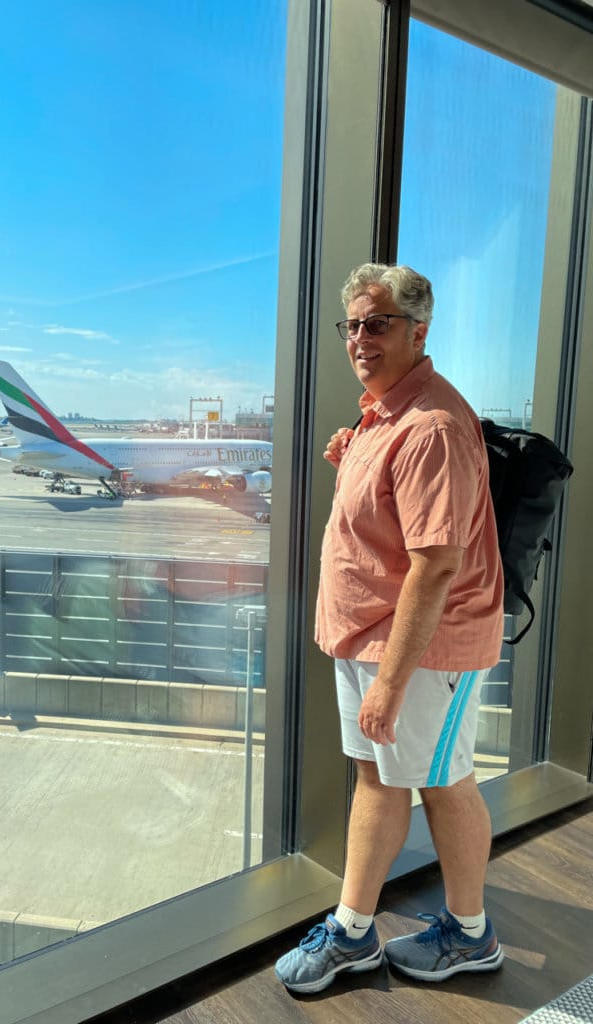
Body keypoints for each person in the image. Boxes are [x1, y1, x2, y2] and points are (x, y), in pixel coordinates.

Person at [275, 263, 505, 993]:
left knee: (446, 786)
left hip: (420, 649)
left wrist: (393, 685)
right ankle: (353, 932)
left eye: (377, 323)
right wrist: (358, 454)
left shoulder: (431, 425)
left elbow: (436, 567)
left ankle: (470, 938)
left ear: (417, 331)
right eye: (352, 325)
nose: (360, 339)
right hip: (370, 637)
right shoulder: (385, 412)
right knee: (380, 782)